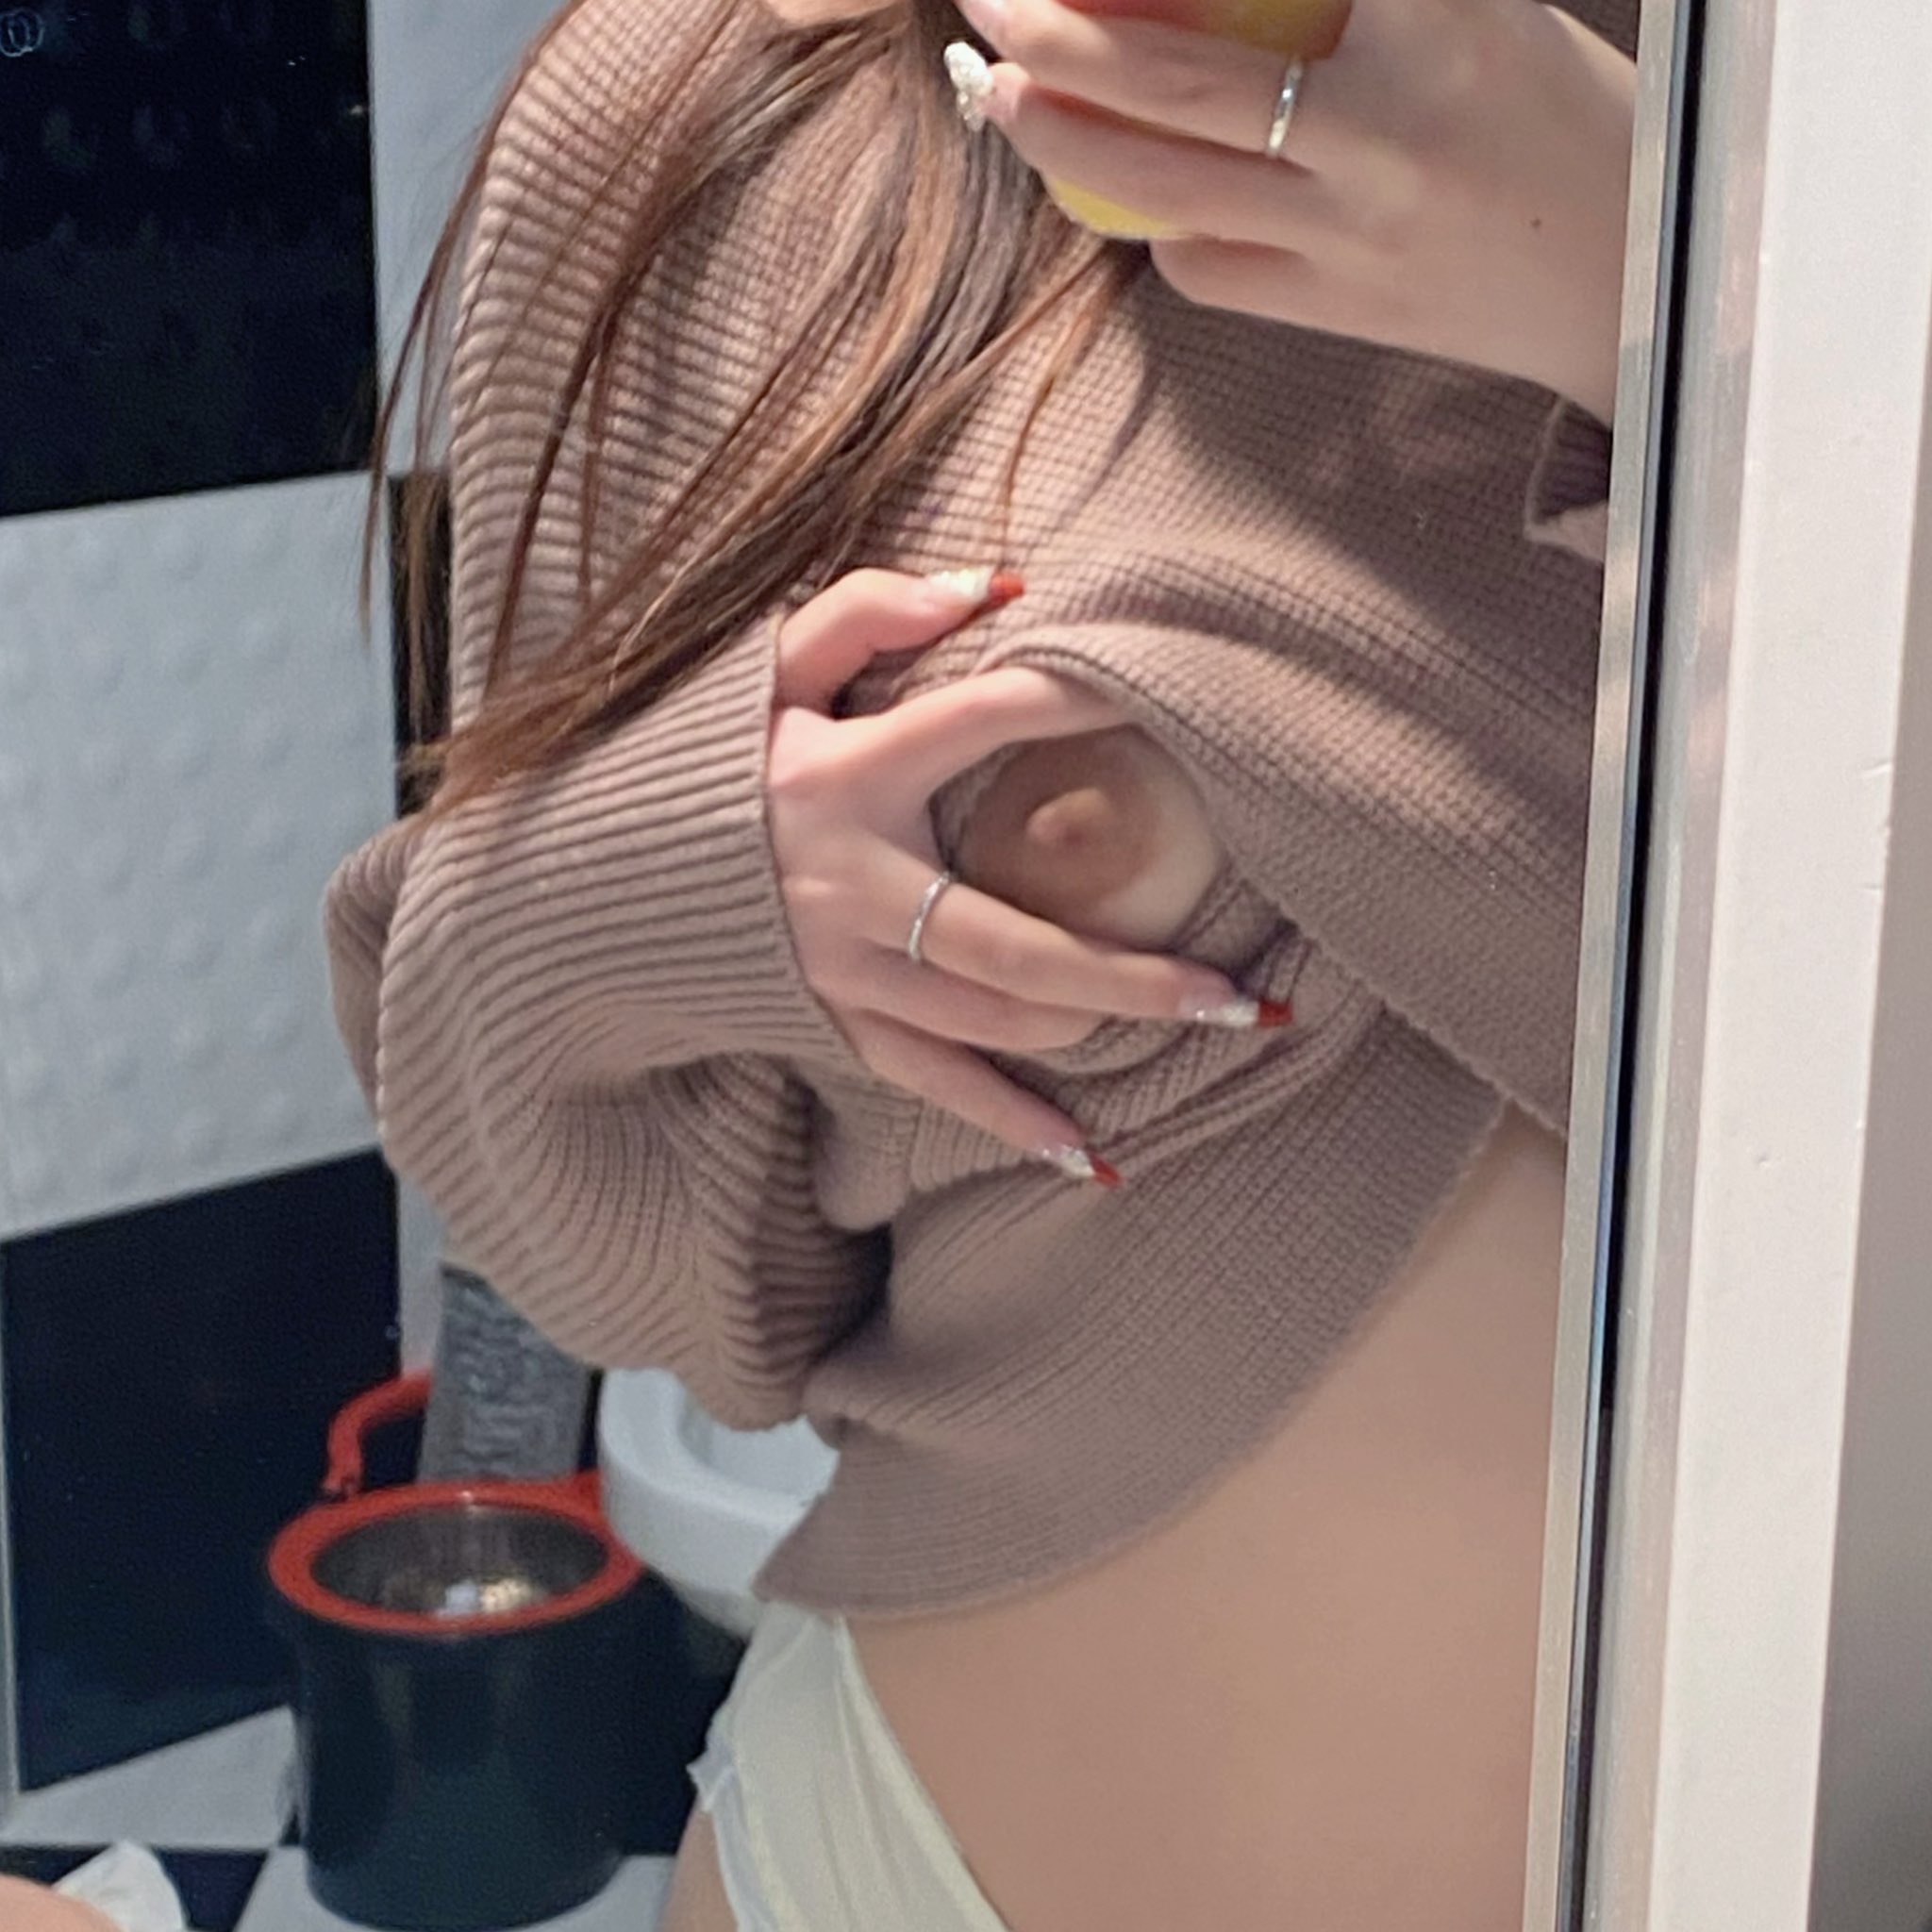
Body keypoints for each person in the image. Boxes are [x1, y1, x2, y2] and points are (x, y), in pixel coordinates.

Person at [325, 0, 1637, 1924]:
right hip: (900, 1854)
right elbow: (622, 1269)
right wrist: (686, 877)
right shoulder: (702, 99)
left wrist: (1658, 268)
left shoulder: (1778, 101)